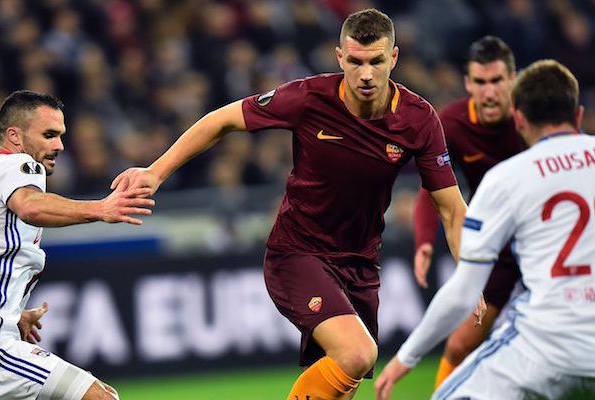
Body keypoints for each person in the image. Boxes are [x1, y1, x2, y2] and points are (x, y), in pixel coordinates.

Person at [111, 8, 468, 399]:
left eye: (376, 62)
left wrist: (474, 273)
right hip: (297, 255)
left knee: (340, 384)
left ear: (394, 58)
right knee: (358, 352)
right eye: (355, 62)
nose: (366, 74)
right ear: (339, 58)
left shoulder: (418, 119)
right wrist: (155, 173)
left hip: (361, 265)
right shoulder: (309, 97)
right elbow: (220, 120)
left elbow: (451, 208)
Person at [375, 59, 595, 400]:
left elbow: (464, 292)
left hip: (545, 351)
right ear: (577, 115)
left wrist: (405, 357)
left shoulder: (509, 177)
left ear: (518, 119)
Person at [0, 90, 155, 400]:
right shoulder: (19, 165)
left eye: (60, 136)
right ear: (15, 137)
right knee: (101, 398)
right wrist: (101, 209)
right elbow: (31, 207)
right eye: (48, 135)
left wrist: (11, 314)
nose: (59, 145)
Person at [408, 35, 525, 389]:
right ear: (468, 83)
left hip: (547, 243)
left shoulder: (532, 116)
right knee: (460, 343)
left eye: (497, 81)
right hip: (498, 246)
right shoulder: (453, 124)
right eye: (481, 82)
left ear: (513, 80)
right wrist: (424, 240)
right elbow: (433, 188)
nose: (489, 92)